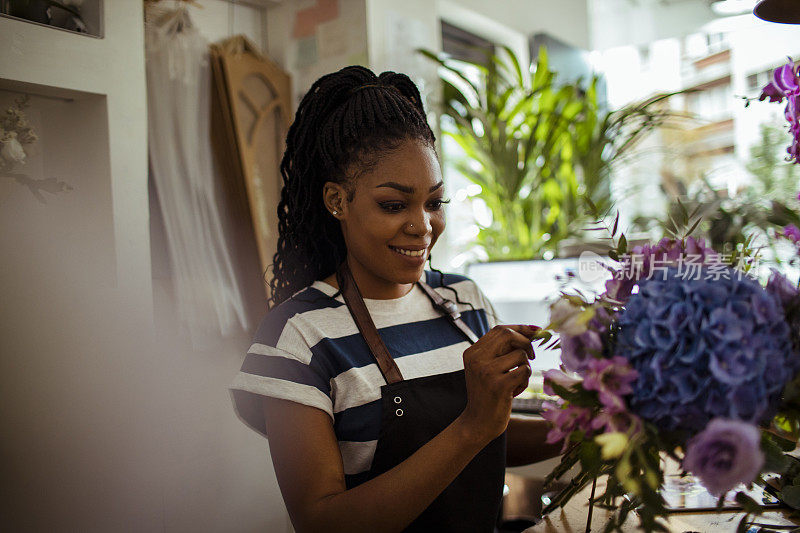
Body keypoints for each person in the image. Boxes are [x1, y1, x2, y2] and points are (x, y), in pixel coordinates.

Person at [230, 65, 560, 533]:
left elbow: (493, 434)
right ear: (337, 201)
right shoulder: (299, 336)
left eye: (433, 202)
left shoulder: (465, 301)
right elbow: (321, 522)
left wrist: (585, 423)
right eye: (393, 205)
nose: (422, 226)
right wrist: (471, 428)